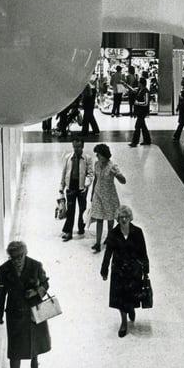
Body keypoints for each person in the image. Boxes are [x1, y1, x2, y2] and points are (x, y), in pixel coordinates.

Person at [0, 241, 51, 368]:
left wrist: (36, 292)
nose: (17, 260)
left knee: (34, 340)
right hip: (15, 312)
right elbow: (2, 291)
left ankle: (34, 364)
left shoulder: (35, 265)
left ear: (25, 253)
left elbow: (46, 283)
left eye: (20, 256)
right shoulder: (4, 270)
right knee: (15, 349)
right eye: (13, 257)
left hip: (34, 311)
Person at [100, 205, 149, 338]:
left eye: (126, 217)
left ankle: (131, 308)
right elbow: (108, 253)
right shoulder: (113, 233)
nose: (124, 219)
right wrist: (104, 269)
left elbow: (143, 251)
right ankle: (123, 323)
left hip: (134, 270)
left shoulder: (137, 232)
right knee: (120, 297)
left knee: (132, 294)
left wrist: (146, 269)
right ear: (118, 219)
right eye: (121, 217)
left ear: (130, 218)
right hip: (119, 270)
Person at [90, 144, 126, 252]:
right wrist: (92, 194)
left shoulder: (112, 166)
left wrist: (116, 175)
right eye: (96, 154)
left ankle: (110, 238)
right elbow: (95, 180)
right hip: (98, 195)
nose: (97, 156)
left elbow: (123, 181)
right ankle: (97, 243)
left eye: (99, 154)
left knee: (110, 219)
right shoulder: (96, 164)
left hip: (109, 196)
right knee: (99, 218)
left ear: (105, 155)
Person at [59, 137, 94, 241]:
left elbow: (90, 174)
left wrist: (86, 185)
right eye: (74, 147)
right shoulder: (67, 158)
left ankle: (81, 227)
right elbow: (64, 173)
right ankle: (68, 231)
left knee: (82, 209)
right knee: (70, 210)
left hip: (82, 188)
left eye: (78, 147)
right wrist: (61, 187)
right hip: (71, 187)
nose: (76, 149)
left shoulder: (88, 158)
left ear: (82, 146)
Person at [127, 78, 151, 147]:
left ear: (141, 84)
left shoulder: (146, 92)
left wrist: (138, 103)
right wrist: (125, 84)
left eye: (139, 83)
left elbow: (146, 103)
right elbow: (132, 89)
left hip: (143, 112)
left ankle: (135, 142)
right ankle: (147, 140)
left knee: (137, 126)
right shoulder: (140, 90)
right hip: (139, 111)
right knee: (143, 126)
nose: (138, 84)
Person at [172, 77, 184, 141]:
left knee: (182, 122)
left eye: (182, 81)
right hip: (182, 108)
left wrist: (182, 98)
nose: (181, 82)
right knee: (182, 122)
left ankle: (176, 136)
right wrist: (178, 106)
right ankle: (177, 136)